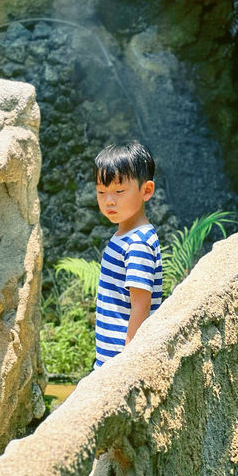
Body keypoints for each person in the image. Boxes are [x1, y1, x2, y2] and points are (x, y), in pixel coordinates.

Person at [93, 141, 162, 369]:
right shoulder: (124, 237)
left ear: (146, 191)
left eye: (119, 191)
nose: (109, 200)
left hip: (121, 363)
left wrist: (127, 364)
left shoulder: (138, 244)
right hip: (108, 361)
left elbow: (140, 307)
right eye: (102, 192)